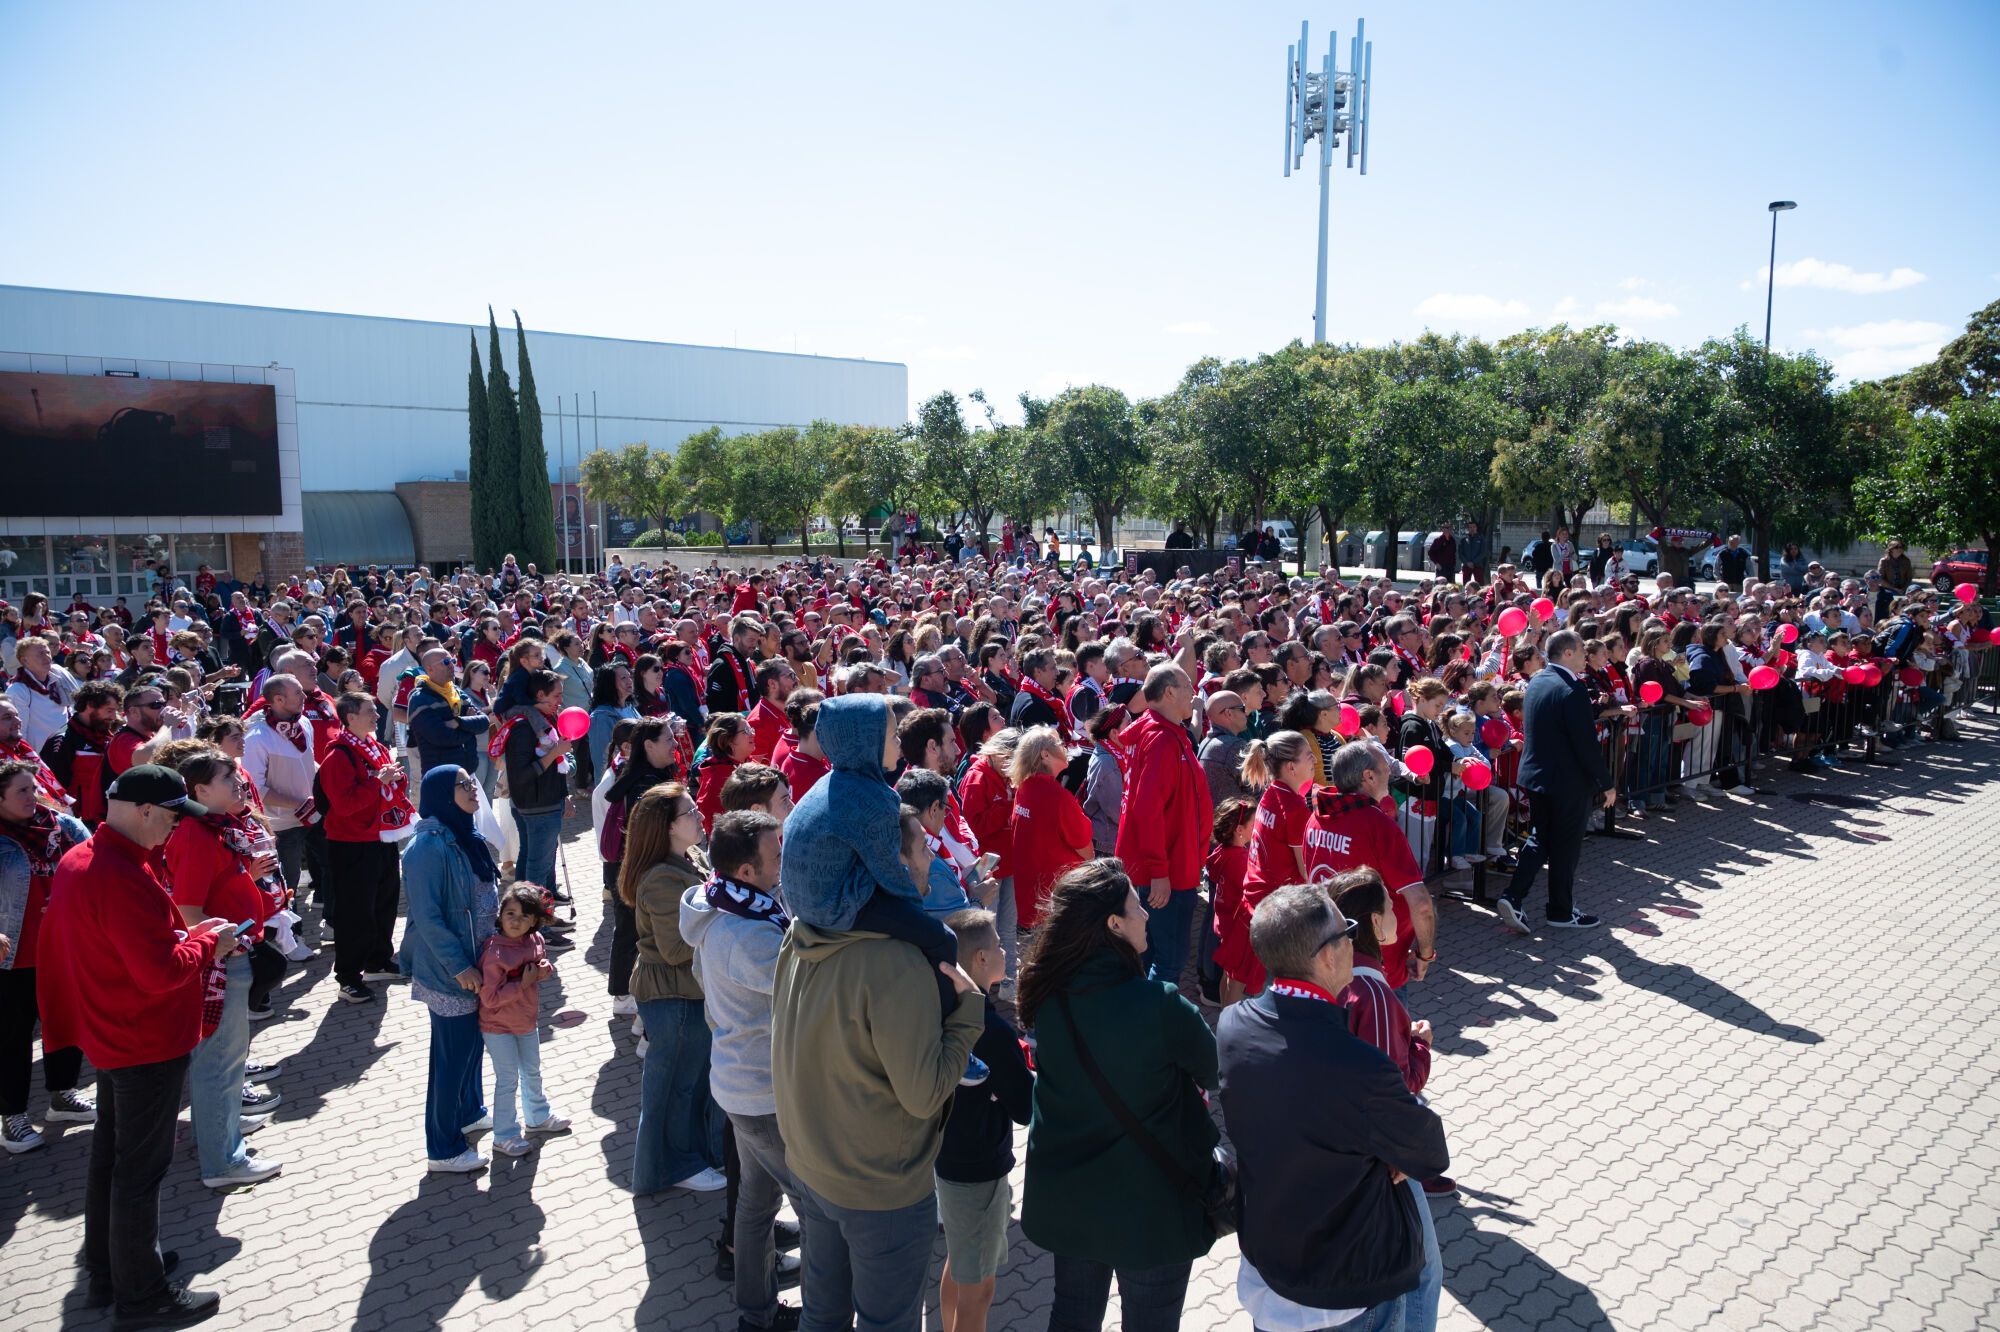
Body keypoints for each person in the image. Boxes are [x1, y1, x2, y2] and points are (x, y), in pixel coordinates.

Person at [771, 691, 986, 1332]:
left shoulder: (794, 940)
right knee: (887, 1320)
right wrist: (967, 1013)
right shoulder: (892, 964)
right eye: (892, 733)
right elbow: (922, 1095)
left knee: (824, 1313)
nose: (900, 742)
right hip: (877, 1189)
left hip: (812, 1166)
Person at [37, 765, 238, 1323]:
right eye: (172, 818)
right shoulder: (115, 873)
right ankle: (142, 1296)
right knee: (138, 1172)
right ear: (145, 811)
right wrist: (209, 946)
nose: (174, 830)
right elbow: (157, 971)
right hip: (142, 1036)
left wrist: (192, 937)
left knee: (112, 1159)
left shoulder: (88, 860)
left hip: (114, 1030)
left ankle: (112, 1271)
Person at [1217, 884, 1449, 1332]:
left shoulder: (1232, 1025)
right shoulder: (1358, 1067)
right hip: (1347, 1289)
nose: (1354, 943)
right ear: (1326, 955)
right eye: (1348, 932)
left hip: (1269, 1268)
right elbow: (1429, 1152)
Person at [1019, 859, 1217, 1332]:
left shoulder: (1046, 995)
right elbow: (1213, 1069)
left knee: (1072, 1316)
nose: (1147, 913)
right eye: (1136, 906)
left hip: (1071, 1203)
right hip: (1151, 1207)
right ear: (1112, 924)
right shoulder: (1161, 1005)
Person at [680, 809, 806, 1332]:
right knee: (818, 1208)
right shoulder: (746, 936)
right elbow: (804, 989)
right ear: (747, 871)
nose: (784, 862)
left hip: (739, 1084)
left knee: (754, 1208)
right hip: (764, 1093)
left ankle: (755, 1315)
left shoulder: (720, 905)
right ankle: (820, 1314)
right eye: (776, 856)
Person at [162, 748, 287, 1191]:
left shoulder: (216, 827)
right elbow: (187, 909)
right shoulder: (196, 834)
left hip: (231, 953)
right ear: (199, 790)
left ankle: (225, 1129)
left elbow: (217, 886)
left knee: (229, 1060)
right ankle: (222, 1161)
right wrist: (220, 946)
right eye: (228, 778)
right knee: (219, 1062)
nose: (239, 784)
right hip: (220, 963)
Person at [934, 908, 1034, 1332]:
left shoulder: (942, 1008)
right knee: (981, 1289)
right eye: (996, 944)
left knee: (960, 1263)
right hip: (979, 1174)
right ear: (978, 960)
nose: (1005, 949)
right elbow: (1026, 1108)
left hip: (948, 1162)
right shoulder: (992, 1031)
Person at [623, 783, 726, 1194]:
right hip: (673, 998)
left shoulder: (690, 857)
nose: (700, 813)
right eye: (689, 812)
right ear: (666, 827)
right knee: (677, 1087)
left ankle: (693, 1156)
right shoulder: (661, 878)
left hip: (689, 994)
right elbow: (676, 947)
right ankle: (676, 1166)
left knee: (694, 1082)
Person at [397, 765, 497, 1174]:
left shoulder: (466, 835)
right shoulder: (427, 848)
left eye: (472, 782)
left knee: (473, 1046)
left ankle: (469, 1110)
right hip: (449, 971)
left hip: (477, 962)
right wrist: (459, 967)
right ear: (440, 793)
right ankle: (443, 1148)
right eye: (462, 784)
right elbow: (428, 917)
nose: (473, 789)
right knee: (450, 1059)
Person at [0, 761, 93, 1154]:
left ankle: (62, 1096)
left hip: (62, 947)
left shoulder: (63, 827)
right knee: (12, 1039)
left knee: (66, 1026)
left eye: (33, 788)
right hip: (13, 958)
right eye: (21, 791)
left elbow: (93, 866)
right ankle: (13, 1117)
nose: (32, 796)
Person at [1497, 630, 1614, 934]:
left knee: (1541, 838)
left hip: (1537, 776)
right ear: (1566, 653)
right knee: (1565, 846)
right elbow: (1585, 742)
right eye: (1580, 651)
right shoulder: (1571, 689)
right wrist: (1606, 781)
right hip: (1566, 781)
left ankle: (1513, 895)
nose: (1585, 657)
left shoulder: (1538, 680)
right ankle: (1560, 911)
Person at [1115, 665, 1214, 988]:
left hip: (1166, 868)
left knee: (1148, 957)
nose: (1194, 692)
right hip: (1165, 873)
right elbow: (1147, 810)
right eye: (1188, 685)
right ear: (1169, 692)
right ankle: (1153, 1029)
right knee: (1167, 963)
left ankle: (1140, 1024)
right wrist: (1159, 872)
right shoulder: (1161, 740)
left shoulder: (1165, 732)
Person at [320, 693, 415, 1003]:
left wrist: (393, 779)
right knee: (355, 912)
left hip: (381, 837)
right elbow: (345, 805)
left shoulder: (373, 746)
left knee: (384, 902)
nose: (377, 716)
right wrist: (379, 781)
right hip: (351, 844)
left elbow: (386, 785)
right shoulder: (338, 756)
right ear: (350, 718)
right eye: (370, 712)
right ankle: (348, 976)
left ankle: (377, 961)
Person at [478, 883, 568, 1158]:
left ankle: (537, 1116)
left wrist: (544, 970)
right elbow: (490, 998)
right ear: (500, 915)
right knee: (507, 1080)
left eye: (524, 916)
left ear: (535, 921)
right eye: (511, 914)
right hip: (498, 1027)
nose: (516, 922)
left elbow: (543, 964)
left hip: (527, 1021)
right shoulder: (494, 952)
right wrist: (524, 983)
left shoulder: (535, 941)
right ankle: (504, 1135)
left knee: (532, 1071)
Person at [1006, 725, 1094, 934]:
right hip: (1057, 902)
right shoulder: (1057, 797)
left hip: (1035, 899)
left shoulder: (1025, 788)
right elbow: (1085, 848)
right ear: (1045, 755)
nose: (1065, 746)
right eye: (1059, 743)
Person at [494, 669, 573, 892]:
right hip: (537, 805)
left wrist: (564, 789)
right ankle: (535, 920)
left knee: (537, 858)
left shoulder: (547, 719)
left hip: (548, 800)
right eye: (556, 696)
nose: (561, 701)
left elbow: (559, 760)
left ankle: (544, 906)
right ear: (540, 695)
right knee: (538, 865)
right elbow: (521, 775)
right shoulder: (523, 727)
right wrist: (556, 753)